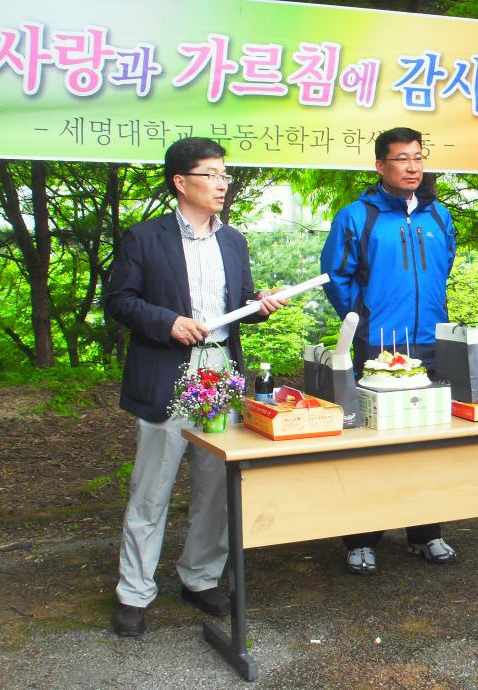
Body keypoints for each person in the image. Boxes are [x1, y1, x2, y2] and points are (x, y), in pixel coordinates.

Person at [104, 137, 287, 636]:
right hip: (168, 369)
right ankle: (134, 593)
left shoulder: (234, 241)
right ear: (181, 182)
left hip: (220, 369)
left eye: (224, 174)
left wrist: (260, 302)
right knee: (151, 489)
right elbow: (119, 300)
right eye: (211, 174)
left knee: (216, 485)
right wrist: (167, 322)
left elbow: (240, 301)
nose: (222, 183)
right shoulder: (145, 237)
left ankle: (201, 577)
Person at [319, 126, 458, 575]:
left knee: (429, 441)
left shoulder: (439, 216)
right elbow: (336, 276)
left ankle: (426, 532)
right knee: (371, 445)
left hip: (430, 342)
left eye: (418, 157)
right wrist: (363, 320)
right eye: (402, 159)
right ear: (381, 165)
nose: (412, 167)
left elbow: (444, 266)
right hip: (377, 345)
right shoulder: (357, 217)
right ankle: (362, 539)